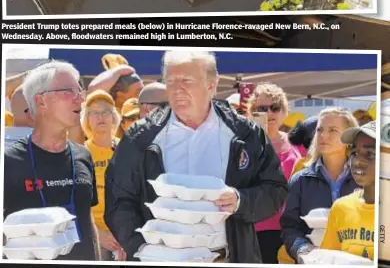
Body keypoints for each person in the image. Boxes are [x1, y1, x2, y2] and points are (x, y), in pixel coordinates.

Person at [105, 51, 288, 263]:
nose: (177, 89)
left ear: (211, 85)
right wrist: (142, 247)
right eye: (171, 81)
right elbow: (118, 201)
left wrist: (241, 201)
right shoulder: (140, 137)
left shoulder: (245, 133)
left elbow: (276, 189)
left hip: (227, 258)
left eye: (186, 81)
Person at [4, 61, 100, 261]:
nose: (80, 98)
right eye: (68, 91)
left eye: (79, 90)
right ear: (41, 102)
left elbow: (87, 219)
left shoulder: (84, 155)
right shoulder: (8, 161)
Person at [280, 108, 359, 264]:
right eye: (320, 130)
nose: (323, 136)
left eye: (333, 130)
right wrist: (303, 250)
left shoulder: (365, 179)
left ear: (349, 136)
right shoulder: (299, 181)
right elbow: (289, 228)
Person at [248, 83, 302, 264]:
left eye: (275, 108)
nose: (269, 113)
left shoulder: (297, 143)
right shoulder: (244, 144)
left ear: (284, 111)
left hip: (292, 229)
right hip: (257, 229)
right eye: (262, 108)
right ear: (252, 111)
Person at [320, 121, 376, 260]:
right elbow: (328, 260)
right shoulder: (341, 208)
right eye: (354, 152)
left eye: (370, 154)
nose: (357, 161)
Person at [81, 90, 126, 261]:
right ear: (87, 120)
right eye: (94, 112)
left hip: (124, 232)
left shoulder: (126, 149)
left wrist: (125, 233)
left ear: (114, 117)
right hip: (94, 232)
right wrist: (98, 233)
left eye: (106, 111)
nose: (101, 116)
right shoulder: (80, 153)